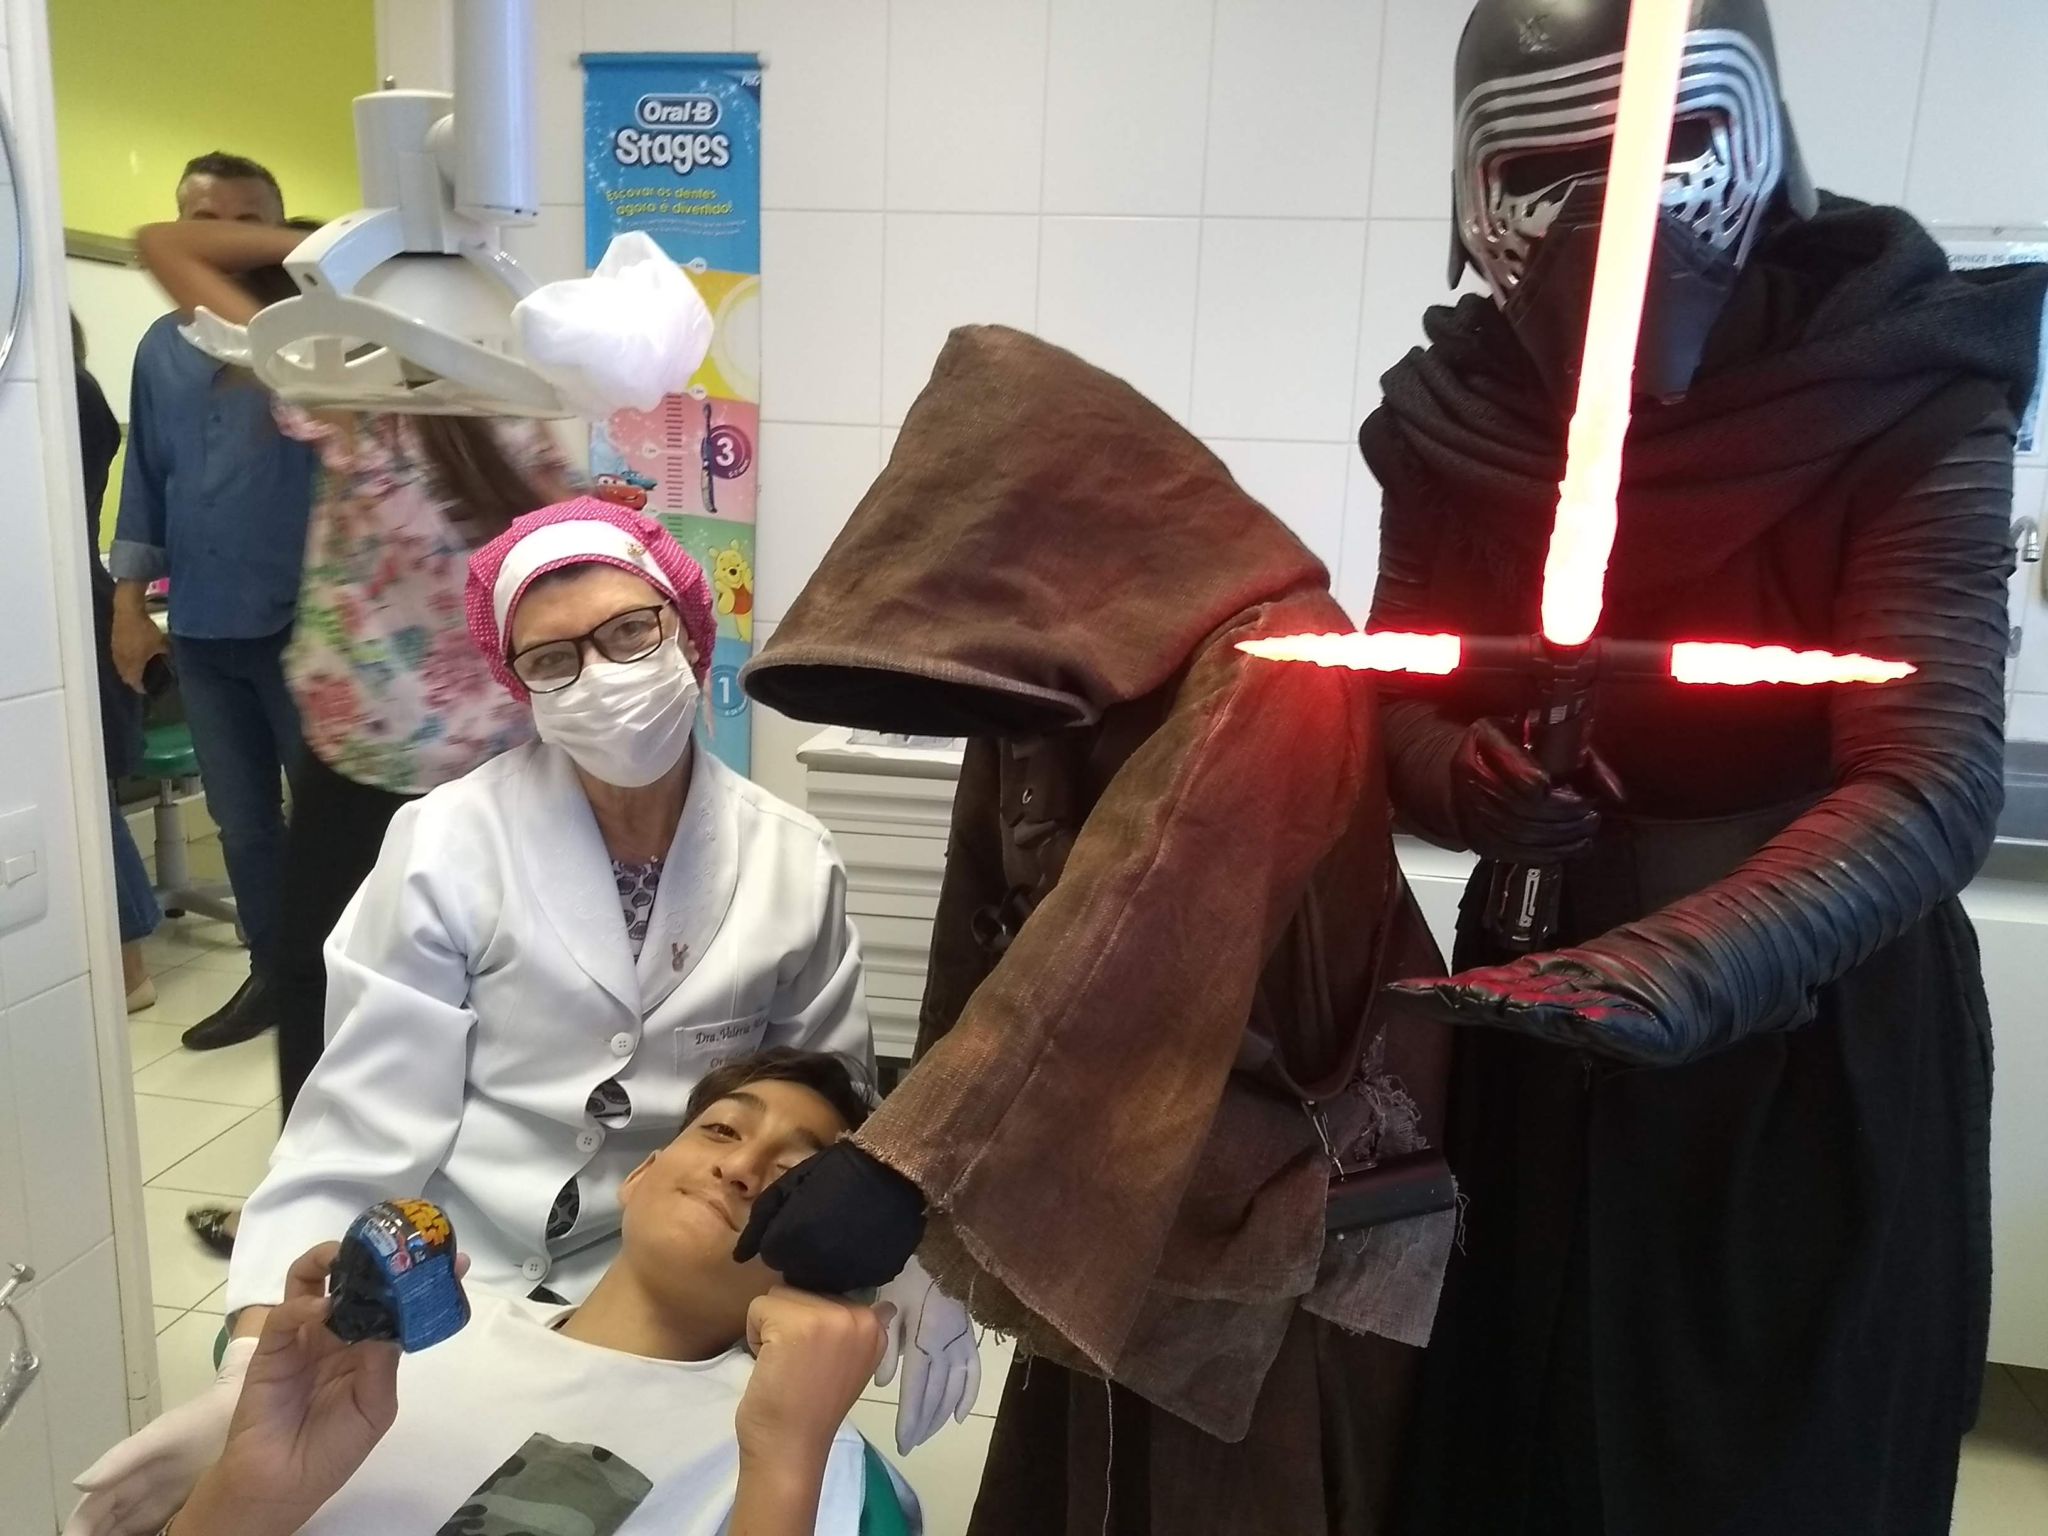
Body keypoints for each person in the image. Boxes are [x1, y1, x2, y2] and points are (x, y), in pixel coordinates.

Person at [1357, 3, 2048, 1533]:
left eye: (1659, 147)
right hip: (1540, 999)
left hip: (1808, 1030)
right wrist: (1459, 775)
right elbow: (1393, 702)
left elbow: (1930, 771)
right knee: (1516, 1437)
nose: (1607, 222)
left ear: (1756, 143)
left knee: (1768, 1470)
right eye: (1546, 167)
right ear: (1476, 188)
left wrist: (1691, 964)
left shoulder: (1903, 383)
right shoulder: (1457, 418)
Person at [63, 499, 972, 1536]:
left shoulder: (792, 864)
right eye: (553, 659)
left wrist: (895, 1251)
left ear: (689, 629)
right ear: (518, 686)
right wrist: (253, 1375)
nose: (602, 675)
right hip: (457, 1278)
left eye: (629, 632)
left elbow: (826, 1116)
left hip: (681, 1291)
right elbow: (360, 1127)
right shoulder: (448, 845)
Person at [741, 324, 1457, 1534]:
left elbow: (1138, 921)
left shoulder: (1282, 661)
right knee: (1080, 1477)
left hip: (1286, 1203)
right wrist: (922, 1181)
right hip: (1118, 1172)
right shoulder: (1052, 680)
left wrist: (909, 1171)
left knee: (1225, 1493)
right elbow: (988, 939)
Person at [127, 211, 574, 1251]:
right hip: (494, 774)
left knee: (326, 998)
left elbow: (166, 246)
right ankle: (432, 1230)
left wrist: (330, 237)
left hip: (370, 774)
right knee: (465, 1010)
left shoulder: (353, 405)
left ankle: (316, 1233)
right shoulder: (524, 423)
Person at [80, 1049, 919, 1536]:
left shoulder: (790, 1449)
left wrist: (784, 1456)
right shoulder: (403, 1343)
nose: (740, 1166)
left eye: (793, 1176)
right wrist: (246, 1496)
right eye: (721, 1129)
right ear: (639, 1176)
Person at [109, 151, 317, 1050]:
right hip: (200, 623)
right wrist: (128, 606)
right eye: (206, 223)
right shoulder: (160, 349)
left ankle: (342, 981)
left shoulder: (313, 340)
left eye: (247, 222)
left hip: (310, 627)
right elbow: (147, 481)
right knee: (241, 822)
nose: (225, 241)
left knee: (328, 823)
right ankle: (273, 973)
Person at [73, 312, 163, 1010]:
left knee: (82, 797)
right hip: (80, 603)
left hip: (80, 610)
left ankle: (127, 968)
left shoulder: (66, 394)